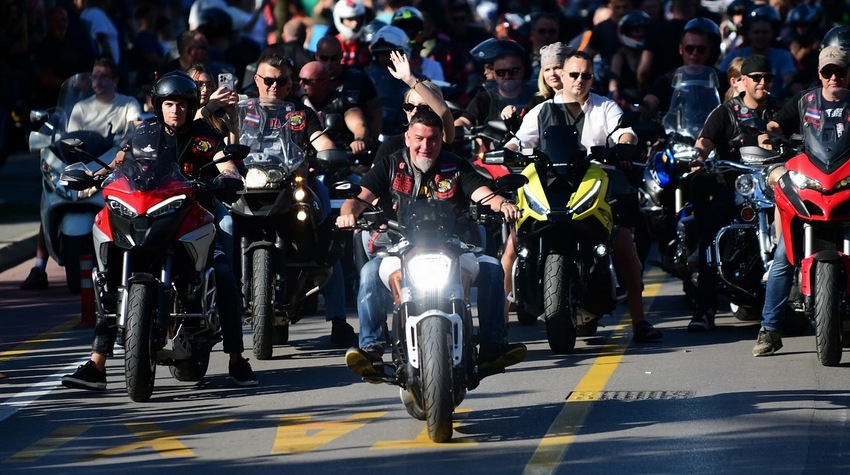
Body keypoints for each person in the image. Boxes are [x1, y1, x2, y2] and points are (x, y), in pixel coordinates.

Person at [60, 72, 257, 390]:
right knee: (110, 279)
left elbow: (224, 161)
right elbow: (119, 164)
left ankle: (236, 358)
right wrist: (94, 176)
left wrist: (230, 175)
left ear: (191, 106)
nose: (175, 110)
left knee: (223, 273)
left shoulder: (204, 136)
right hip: (148, 219)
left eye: (181, 104)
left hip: (193, 221)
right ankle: (97, 365)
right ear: (159, 106)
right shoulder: (144, 134)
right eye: (169, 104)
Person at [337, 109, 528, 377]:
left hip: (453, 246)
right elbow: (359, 197)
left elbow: (483, 194)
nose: (425, 146)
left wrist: (503, 204)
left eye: (433, 139)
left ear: (441, 140)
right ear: (407, 138)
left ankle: (492, 346)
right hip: (399, 247)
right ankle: (372, 350)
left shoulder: (456, 166)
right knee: (369, 273)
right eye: (419, 138)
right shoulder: (391, 165)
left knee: (494, 268)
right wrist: (348, 213)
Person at [505, 50, 663, 342]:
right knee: (513, 242)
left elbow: (623, 131)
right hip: (550, 184)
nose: (579, 80)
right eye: (574, 74)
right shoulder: (541, 111)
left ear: (592, 78)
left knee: (624, 241)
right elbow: (518, 142)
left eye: (586, 75)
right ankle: (497, 327)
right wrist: (509, 153)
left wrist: (625, 143)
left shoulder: (604, 106)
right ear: (560, 76)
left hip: (596, 180)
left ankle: (640, 320)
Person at [249, 52, 356, 345]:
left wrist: (327, 153)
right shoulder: (243, 112)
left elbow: (321, 141)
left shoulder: (300, 113)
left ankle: (337, 319)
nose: (273, 86)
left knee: (326, 232)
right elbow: (228, 144)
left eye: (280, 81)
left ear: (289, 84)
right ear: (257, 80)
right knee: (221, 229)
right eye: (268, 80)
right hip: (249, 189)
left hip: (294, 185)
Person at [753, 45, 850, 355]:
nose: (834, 77)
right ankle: (769, 329)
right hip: (813, 180)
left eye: (840, 71)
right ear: (819, 74)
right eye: (827, 72)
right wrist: (769, 136)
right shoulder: (805, 100)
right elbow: (774, 125)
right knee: (783, 256)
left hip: (844, 179)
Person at [21, 58, 142, 291]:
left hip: (109, 167)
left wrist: (134, 132)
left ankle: (133, 258)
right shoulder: (80, 107)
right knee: (48, 201)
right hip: (80, 168)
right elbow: (66, 138)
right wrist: (49, 140)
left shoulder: (127, 104)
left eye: (103, 76)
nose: (97, 81)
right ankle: (38, 267)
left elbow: (135, 125)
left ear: (115, 80)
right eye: (94, 76)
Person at [688, 55, 782, 331]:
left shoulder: (781, 111)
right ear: (744, 81)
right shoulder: (726, 112)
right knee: (711, 234)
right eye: (757, 78)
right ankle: (704, 310)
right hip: (738, 186)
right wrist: (699, 156)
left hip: (776, 187)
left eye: (767, 77)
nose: (763, 83)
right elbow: (704, 140)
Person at [641, 17, 725, 119]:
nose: (695, 53)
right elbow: (650, 101)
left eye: (701, 49)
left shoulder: (721, 79)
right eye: (689, 48)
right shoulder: (667, 81)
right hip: (676, 133)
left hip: (714, 133)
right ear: (681, 49)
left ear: (709, 50)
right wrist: (641, 109)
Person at [316, 35, 382, 144]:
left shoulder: (357, 78)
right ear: (317, 56)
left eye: (334, 58)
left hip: (353, 144)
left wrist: (372, 141)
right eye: (324, 58)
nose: (329, 63)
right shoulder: (309, 79)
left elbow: (375, 111)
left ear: (341, 55)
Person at [298, 60, 369, 155]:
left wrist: (359, 140)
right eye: (299, 79)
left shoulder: (340, 101)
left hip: (336, 156)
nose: (300, 84)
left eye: (306, 81)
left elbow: (358, 124)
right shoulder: (294, 103)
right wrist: (303, 98)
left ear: (323, 83)